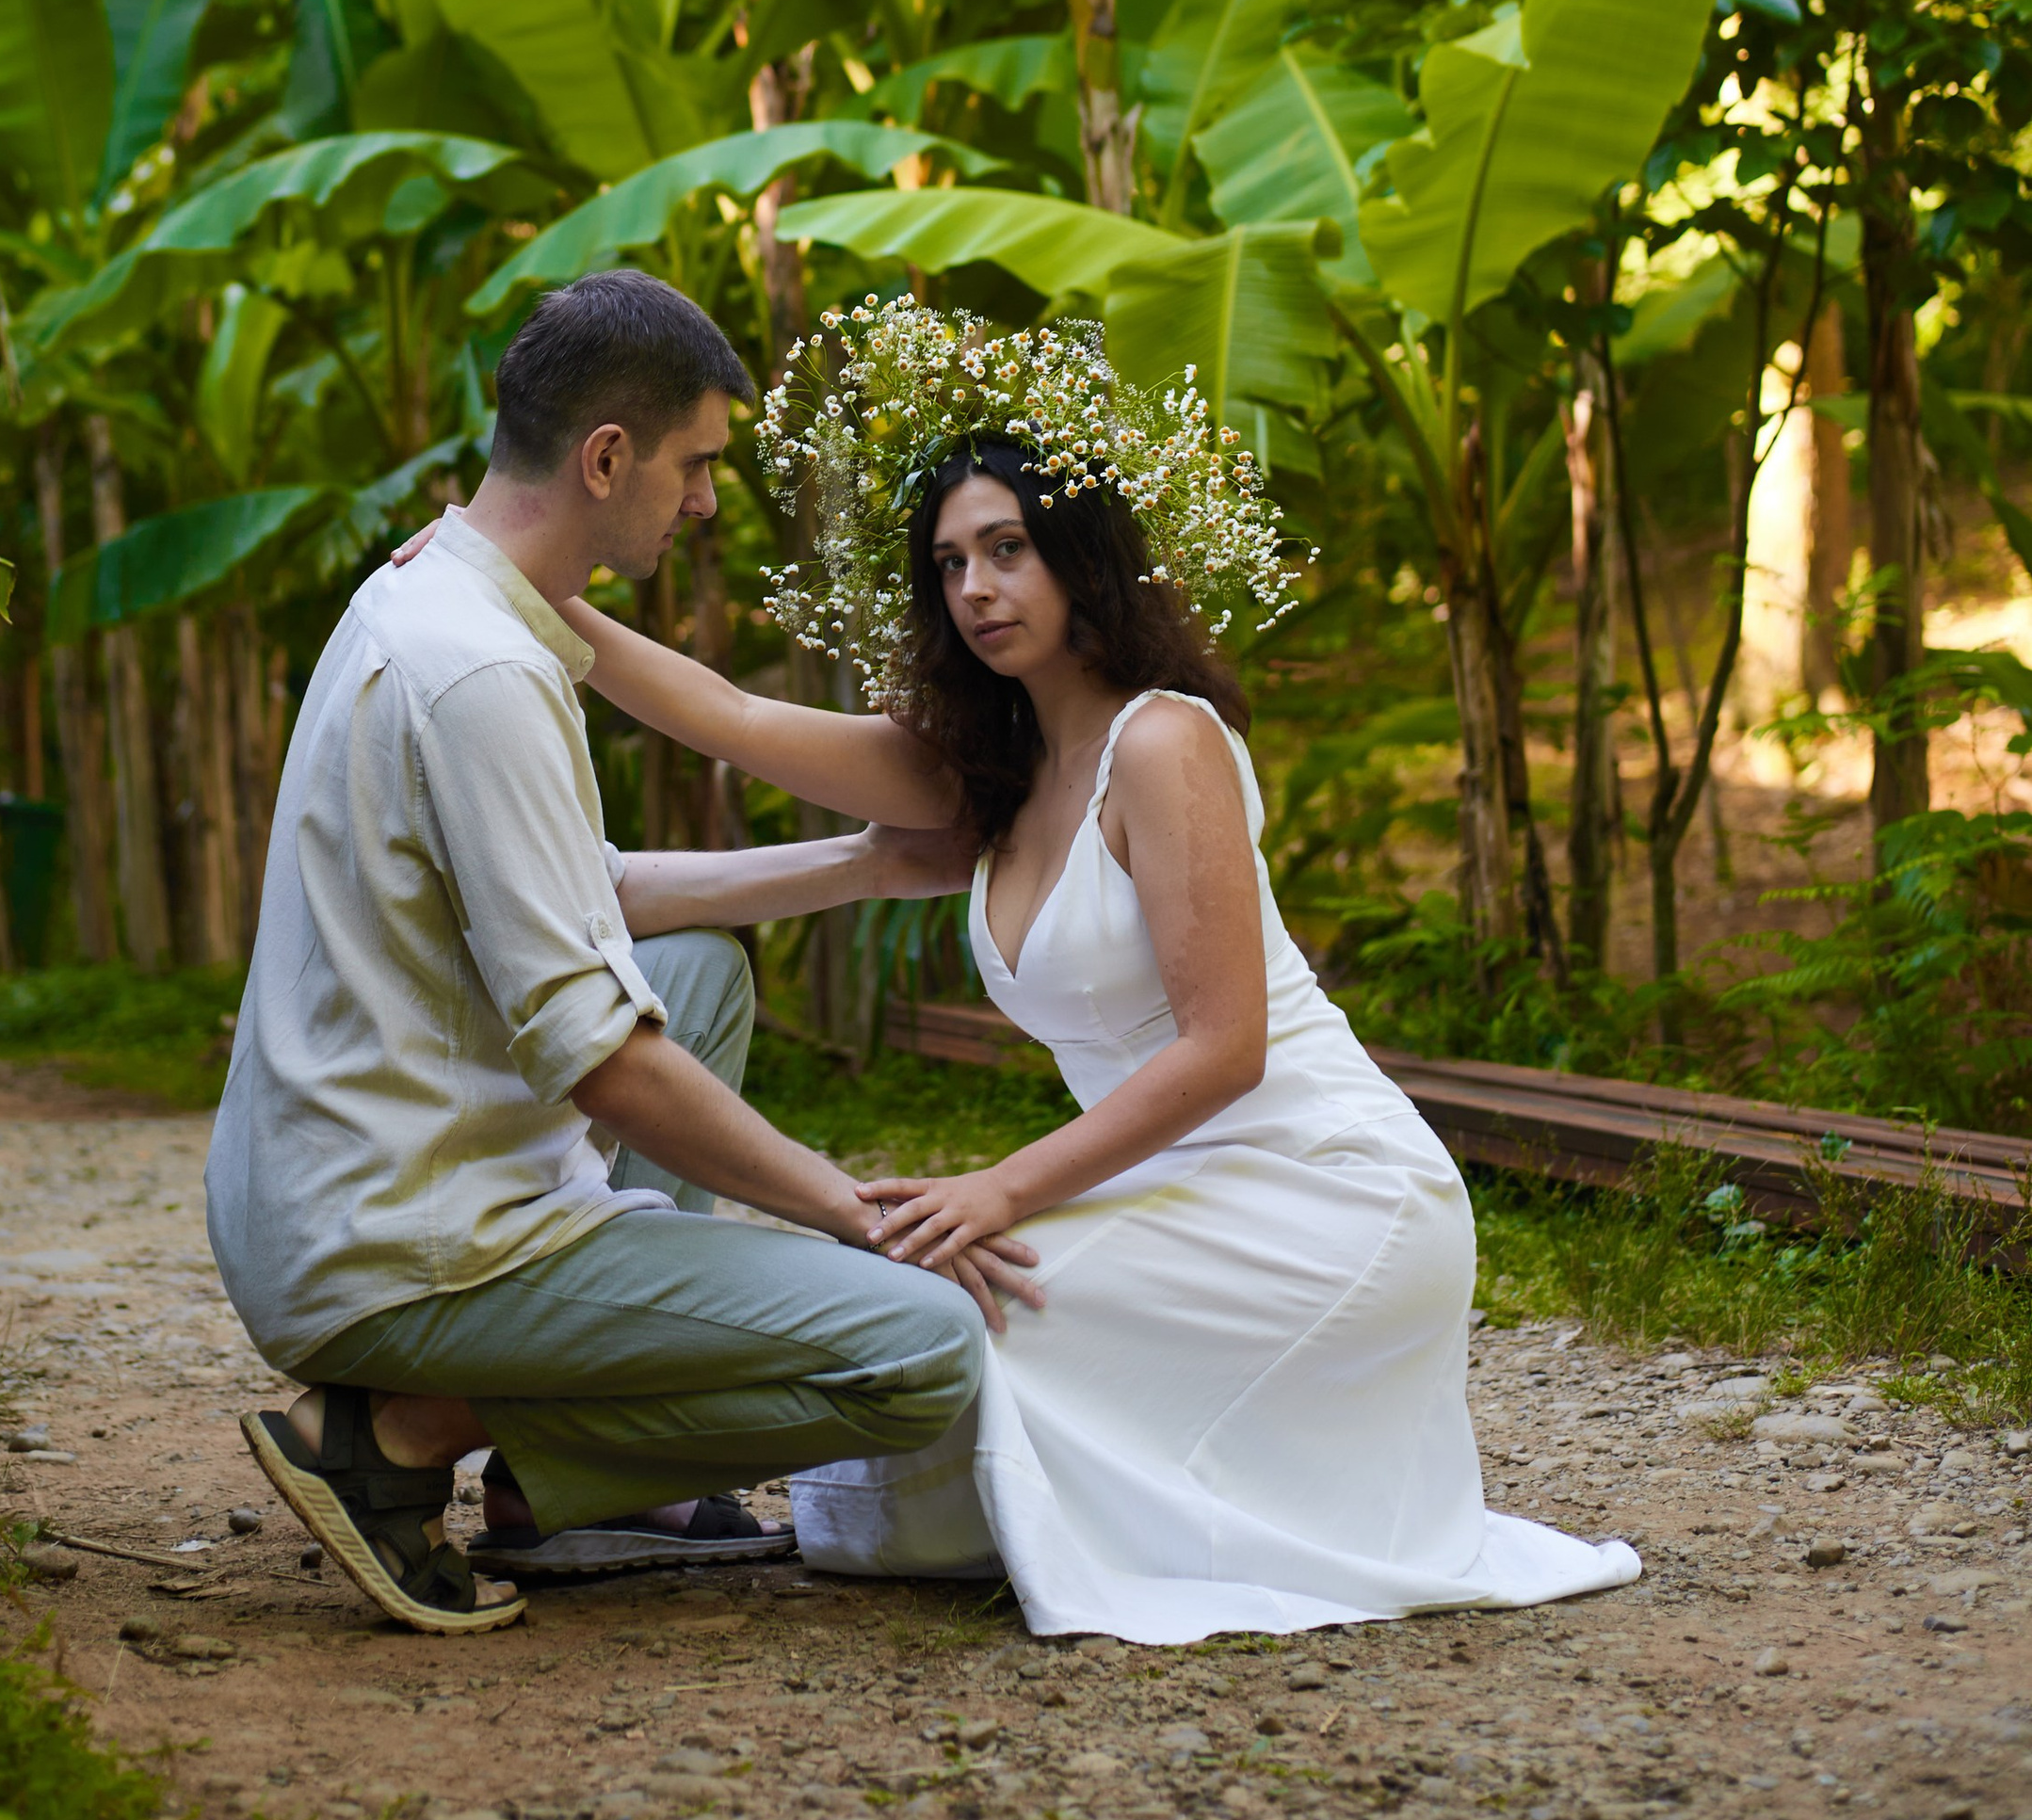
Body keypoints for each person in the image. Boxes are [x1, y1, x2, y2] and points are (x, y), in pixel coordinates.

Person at [558, 297, 1642, 1646]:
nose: (978, 590)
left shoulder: (1163, 742)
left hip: (1327, 1194)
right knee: (915, 1350)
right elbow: (733, 717)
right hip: (1171, 1187)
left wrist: (999, 1184)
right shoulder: (993, 772)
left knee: (940, 1316)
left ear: (1078, 554)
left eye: (1008, 549)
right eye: (952, 563)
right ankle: (583, 1474)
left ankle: (576, 1474)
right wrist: (526, 590)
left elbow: (1223, 1048)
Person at [213, 268, 1036, 1635]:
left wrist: (869, 863)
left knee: (702, 968)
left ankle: (555, 1486)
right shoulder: (480, 674)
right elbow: (606, 1064)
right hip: (395, 1247)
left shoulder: (439, 605)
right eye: (695, 463)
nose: (706, 499)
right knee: (924, 1347)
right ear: (607, 458)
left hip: (328, 1192)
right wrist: (862, 1219)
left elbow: (582, 889)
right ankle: (407, 1438)